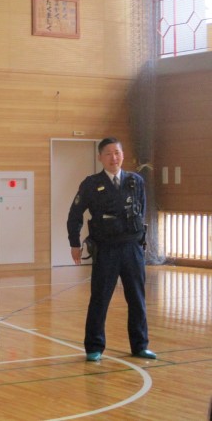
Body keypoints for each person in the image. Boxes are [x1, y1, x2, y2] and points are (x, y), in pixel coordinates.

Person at [67, 137, 156, 362]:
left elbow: (141, 210)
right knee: (100, 298)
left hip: (132, 248)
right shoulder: (91, 183)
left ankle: (140, 345)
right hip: (106, 249)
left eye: (117, 153)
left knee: (137, 299)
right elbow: (75, 215)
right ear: (100, 157)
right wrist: (74, 243)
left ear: (122, 155)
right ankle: (94, 347)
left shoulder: (135, 181)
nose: (113, 158)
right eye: (108, 153)